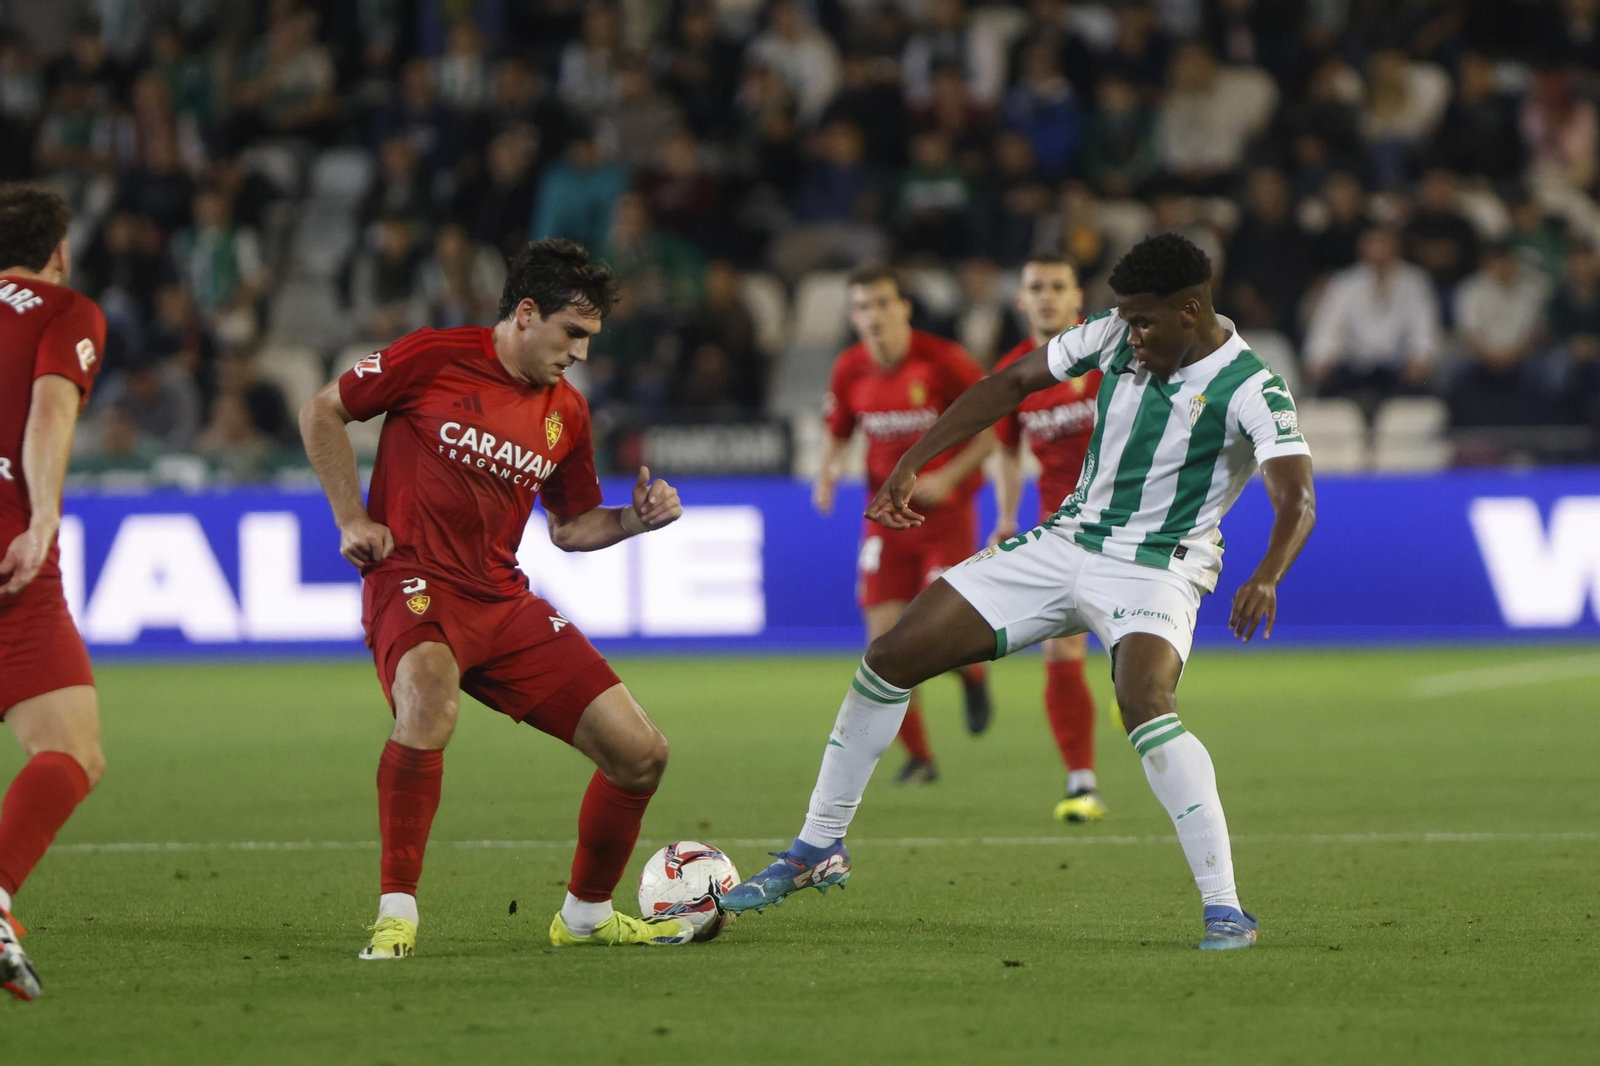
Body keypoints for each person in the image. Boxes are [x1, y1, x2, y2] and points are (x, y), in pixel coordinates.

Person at [723, 234, 1317, 951]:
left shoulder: (1253, 386)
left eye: (1144, 323)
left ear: (1191, 309)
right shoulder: (1114, 336)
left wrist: (1266, 576)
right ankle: (819, 847)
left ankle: (1225, 906)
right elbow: (1008, 385)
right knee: (889, 656)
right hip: (1063, 542)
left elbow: (1297, 499)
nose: (1129, 336)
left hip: (1158, 566)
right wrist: (915, 459)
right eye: (1123, 321)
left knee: (1144, 700)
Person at [299, 239, 699, 959]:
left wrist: (636, 520)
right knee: (428, 699)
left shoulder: (567, 414)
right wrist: (351, 518)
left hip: (500, 597)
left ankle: (585, 915)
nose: (580, 352)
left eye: (590, 338)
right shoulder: (432, 355)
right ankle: (397, 914)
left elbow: (573, 527)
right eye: (572, 333)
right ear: (525, 313)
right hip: (411, 578)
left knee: (641, 754)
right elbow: (322, 411)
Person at [816, 265, 997, 786]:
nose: (872, 316)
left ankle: (973, 674)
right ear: (853, 316)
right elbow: (839, 431)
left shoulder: (943, 362)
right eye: (862, 308)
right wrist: (827, 474)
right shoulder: (849, 369)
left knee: (942, 634)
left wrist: (950, 475)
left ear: (903, 309)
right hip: (886, 520)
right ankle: (920, 757)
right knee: (885, 643)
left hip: (946, 517)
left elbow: (991, 430)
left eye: (881, 304)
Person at [0, 183, 109, 1000]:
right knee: (70, 748)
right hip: (9, 557)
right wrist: (39, 518)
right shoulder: (64, 310)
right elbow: (48, 408)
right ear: (58, 251)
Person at [987, 253, 1105, 822]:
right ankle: (1081, 777)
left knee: (1139, 657)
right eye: (1036, 286)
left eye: (1059, 286)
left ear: (1078, 298)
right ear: (1021, 300)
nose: (1048, 296)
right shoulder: (1014, 373)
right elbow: (1006, 453)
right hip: (1061, 529)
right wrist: (1007, 518)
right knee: (1062, 648)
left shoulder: (1114, 354)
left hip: (1130, 524)